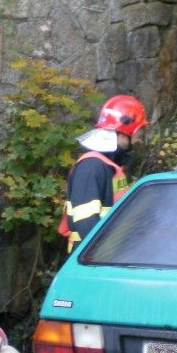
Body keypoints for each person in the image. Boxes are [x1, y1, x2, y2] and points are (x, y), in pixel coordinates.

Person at [60, 94, 149, 252]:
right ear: (124, 132)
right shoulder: (91, 167)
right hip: (90, 259)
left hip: (105, 253)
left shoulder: (106, 165)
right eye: (138, 133)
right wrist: (103, 258)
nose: (139, 139)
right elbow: (86, 222)